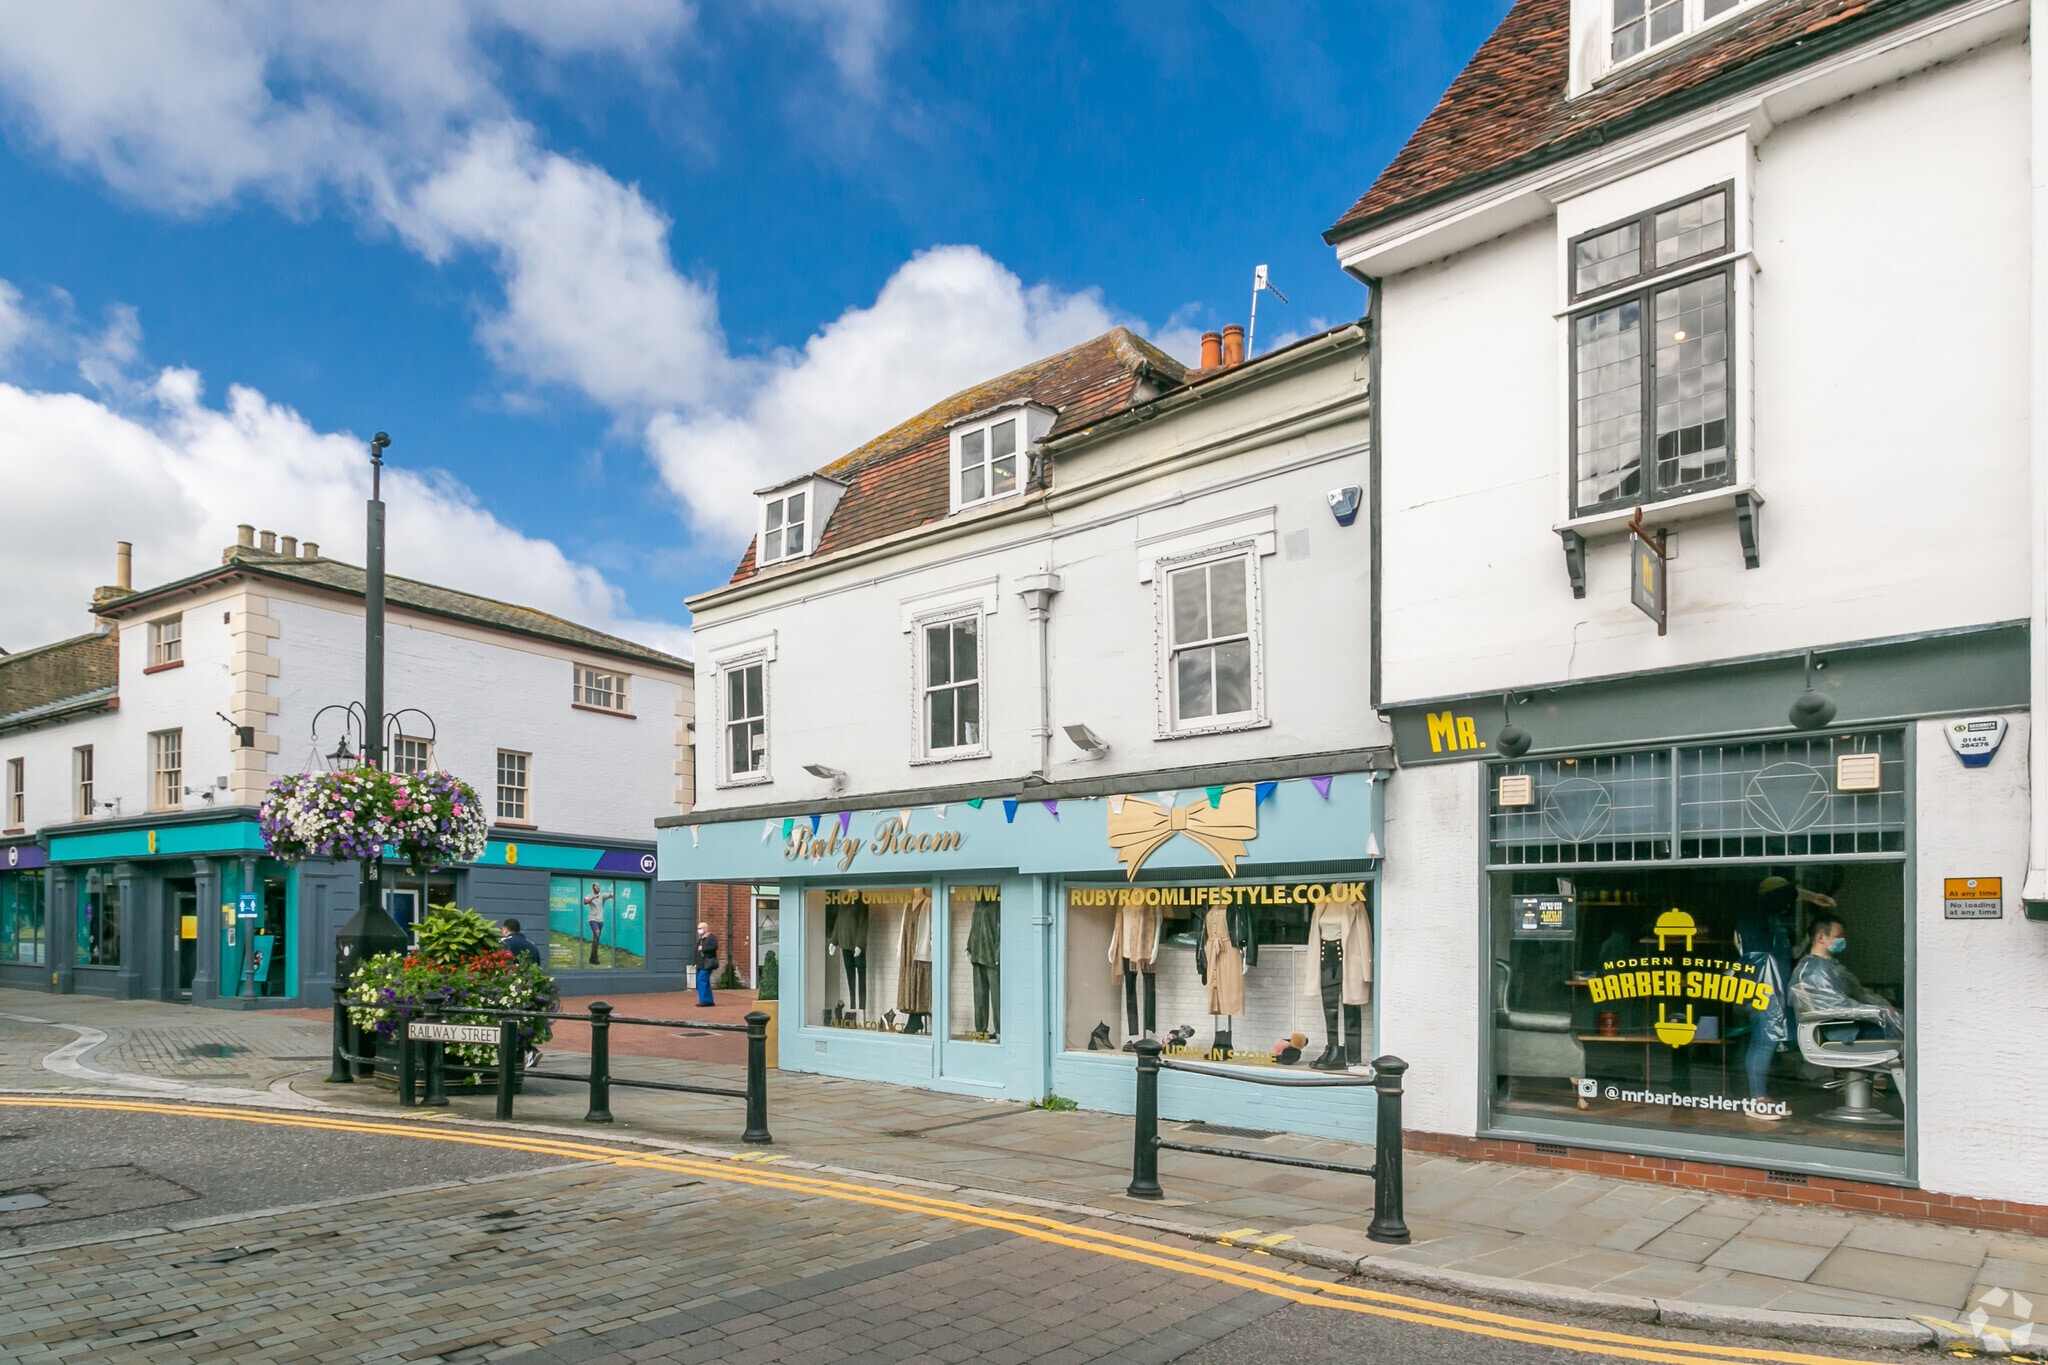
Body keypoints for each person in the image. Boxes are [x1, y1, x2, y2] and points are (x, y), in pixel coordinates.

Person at [1789, 915, 1903, 1041]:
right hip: (1840, 1032)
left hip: (1848, 1026)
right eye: (1838, 937)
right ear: (1820, 937)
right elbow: (1838, 1006)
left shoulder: (1829, 966)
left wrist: (1883, 1005)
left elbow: (1859, 993)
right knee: (1910, 1032)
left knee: (1905, 1022)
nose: (1843, 940)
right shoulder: (1814, 971)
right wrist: (1878, 1011)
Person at [695, 920, 720, 1006]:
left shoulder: (711, 937)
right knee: (704, 981)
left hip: (707, 963)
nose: (699, 930)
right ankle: (709, 1000)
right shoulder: (700, 939)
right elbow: (697, 952)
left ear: (705, 928)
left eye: (700, 928)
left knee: (701, 980)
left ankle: (704, 1000)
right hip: (701, 963)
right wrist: (695, 963)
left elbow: (714, 947)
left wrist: (703, 948)